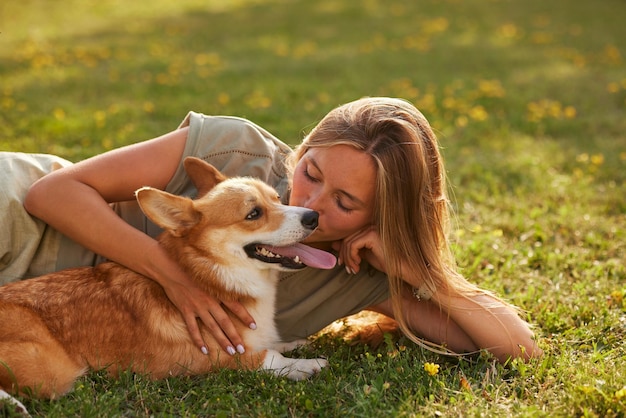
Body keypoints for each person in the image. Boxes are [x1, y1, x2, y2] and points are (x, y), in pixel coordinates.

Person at [1, 97, 541, 362]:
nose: (306, 203)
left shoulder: (360, 276)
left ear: (380, 219)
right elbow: (51, 194)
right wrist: (173, 276)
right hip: (18, 221)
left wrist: (409, 268)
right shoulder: (242, 152)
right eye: (310, 171)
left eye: (345, 202)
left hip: (38, 323)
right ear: (302, 149)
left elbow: (519, 350)